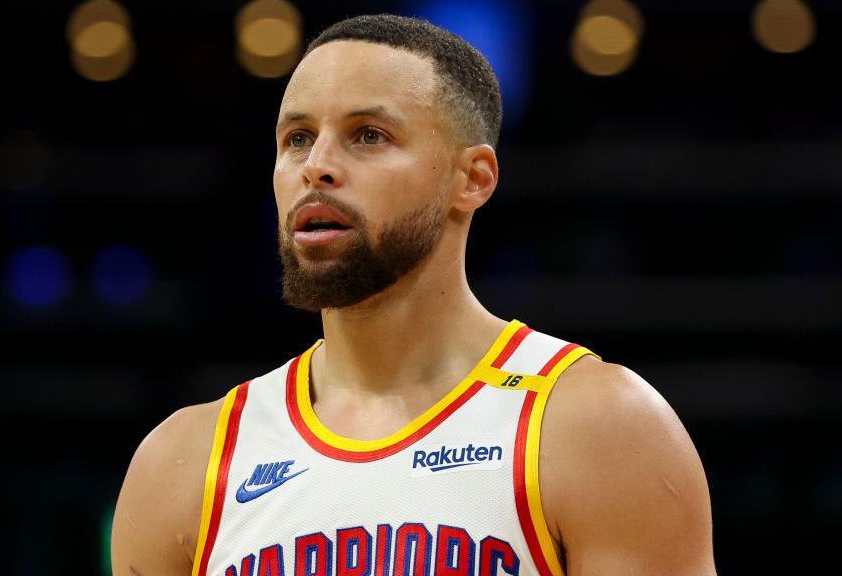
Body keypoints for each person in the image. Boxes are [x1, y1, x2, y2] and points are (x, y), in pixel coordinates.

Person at [111, 14, 716, 576]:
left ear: (472, 179)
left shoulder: (596, 426)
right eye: (296, 138)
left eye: (368, 135)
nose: (315, 166)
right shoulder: (184, 463)